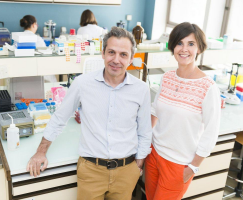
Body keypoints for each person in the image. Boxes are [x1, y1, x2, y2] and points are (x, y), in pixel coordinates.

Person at [26, 27, 152, 200]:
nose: (116, 60)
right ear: (103, 53)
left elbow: (144, 131)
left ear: (131, 58)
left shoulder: (141, 89)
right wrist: (41, 151)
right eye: (111, 52)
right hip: (91, 170)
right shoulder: (82, 83)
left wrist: (137, 165)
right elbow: (59, 118)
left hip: (126, 171)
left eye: (123, 54)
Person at [145, 22, 221, 200]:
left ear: (199, 49)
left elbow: (211, 132)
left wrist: (193, 167)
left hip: (179, 163)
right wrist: (145, 144)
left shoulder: (208, 87)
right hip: (154, 154)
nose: (184, 49)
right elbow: (155, 110)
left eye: (191, 44)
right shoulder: (167, 77)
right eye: (179, 43)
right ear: (173, 47)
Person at [20, 15, 57, 83]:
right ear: (34, 25)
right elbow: (45, 53)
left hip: (23, 71)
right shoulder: (37, 39)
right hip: (37, 70)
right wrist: (51, 47)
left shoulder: (18, 37)